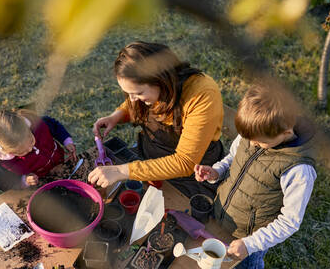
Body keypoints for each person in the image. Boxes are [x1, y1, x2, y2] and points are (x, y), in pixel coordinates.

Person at [194, 84, 317, 268]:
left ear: (286, 132)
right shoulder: (254, 133)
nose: (252, 144)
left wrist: (250, 244)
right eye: (249, 139)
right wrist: (216, 171)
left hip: (249, 240)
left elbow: (289, 221)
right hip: (221, 218)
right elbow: (232, 158)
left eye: (259, 142)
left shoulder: (298, 170)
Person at [88, 41, 224, 198]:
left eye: (138, 93)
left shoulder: (201, 95)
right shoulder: (155, 90)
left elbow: (184, 163)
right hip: (149, 156)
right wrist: (117, 115)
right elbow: (132, 103)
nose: (132, 100)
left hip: (191, 176)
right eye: (128, 93)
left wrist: (121, 171)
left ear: (160, 79)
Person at [0, 108, 76, 191]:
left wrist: (66, 141)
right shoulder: (2, 162)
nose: (31, 149)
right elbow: (3, 182)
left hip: (59, 163)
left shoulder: (37, 124)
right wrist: (24, 181)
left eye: (31, 141)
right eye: (22, 152)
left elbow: (54, 126)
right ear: (8, 152)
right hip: (41, 183)